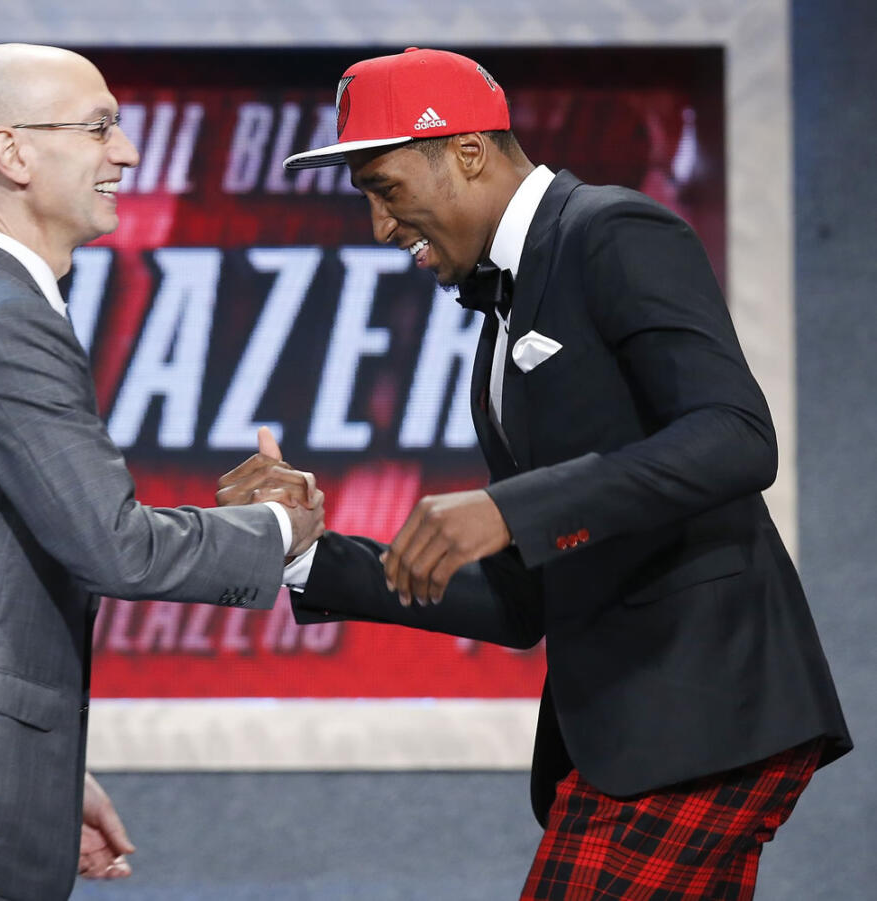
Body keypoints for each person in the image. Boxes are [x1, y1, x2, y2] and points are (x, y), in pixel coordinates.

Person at [220, 48, 851, 899]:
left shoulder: (613, 231)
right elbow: (524, 603)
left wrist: (511, 507)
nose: (378, 225)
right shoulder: (502, 317)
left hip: (705, 713)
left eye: (387, 188)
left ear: (468, 153)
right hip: (640, 736)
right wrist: (306, 552)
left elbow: (737, 437)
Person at [0, 43, 324, 901]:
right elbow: (115, 546)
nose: (126, 152)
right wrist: (279, 528)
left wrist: (42, 774)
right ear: (13, 153)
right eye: (100, 126)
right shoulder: (2, 319)